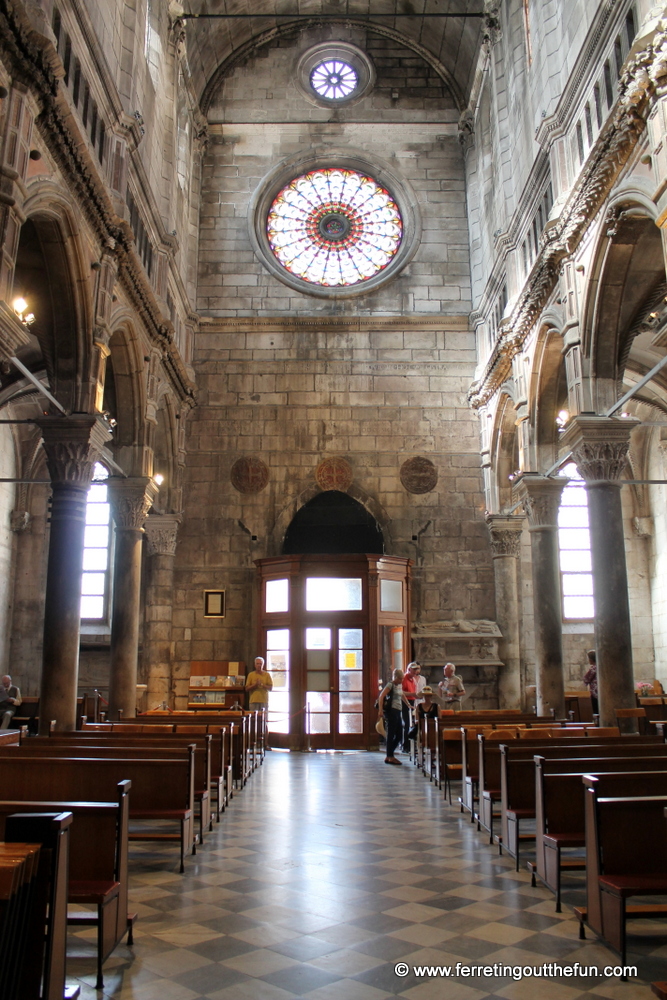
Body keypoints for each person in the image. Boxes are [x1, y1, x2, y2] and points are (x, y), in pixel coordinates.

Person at [378, 668, 411, 765]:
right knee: (391, 733)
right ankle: (390, 756)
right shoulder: (390, 685)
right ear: (395, 677)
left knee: (400, 734)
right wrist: (380, 710)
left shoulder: (399, 685)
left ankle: (389, 753)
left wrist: (408, 704)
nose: (401, 681)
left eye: (402, 679)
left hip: (398, 711)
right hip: (391, 711)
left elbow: (401, 695)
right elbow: (381, 696)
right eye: (400, 679)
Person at [583, 649, 598, 715]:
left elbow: (586, 679)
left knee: (596, 711)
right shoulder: (601, 667)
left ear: (591, 659)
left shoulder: (593, 668)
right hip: (601, 692)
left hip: (595, 693)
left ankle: (597, 724)